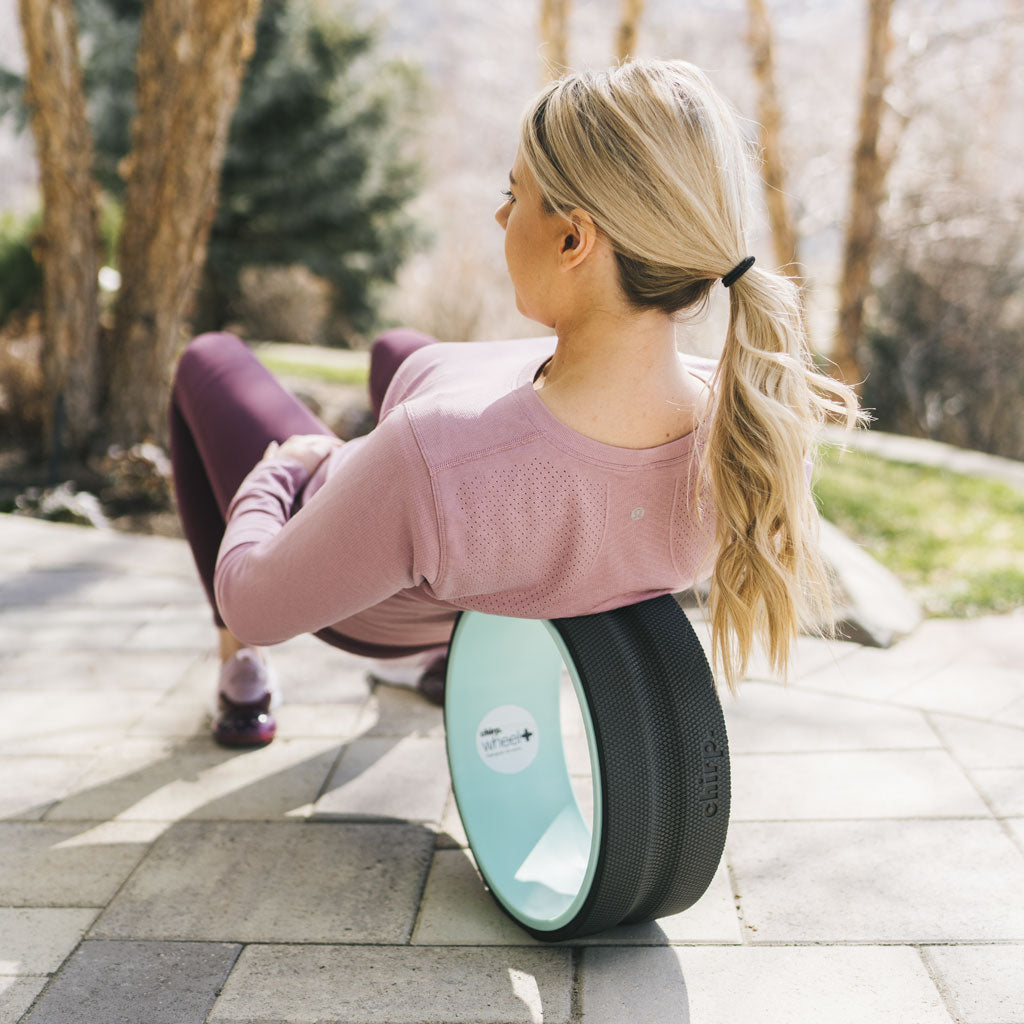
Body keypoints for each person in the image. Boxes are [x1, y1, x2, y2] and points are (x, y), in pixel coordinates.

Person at [170, 58, 860, 748]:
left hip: (371, 602)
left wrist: (283, 470)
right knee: (397, 349)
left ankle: (242, 672)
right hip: (476, 563)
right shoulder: (746, 418)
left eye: (515, 194)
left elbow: (255, 603)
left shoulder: (433, 453)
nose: (502, 214)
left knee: (205, 362)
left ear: (573, 239)